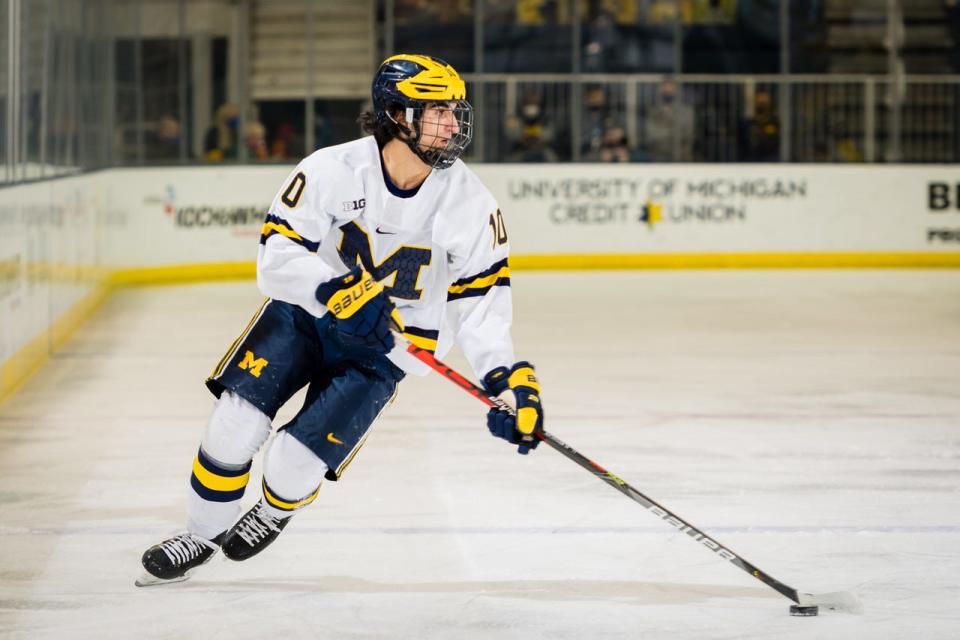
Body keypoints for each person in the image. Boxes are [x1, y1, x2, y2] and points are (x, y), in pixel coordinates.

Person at [136, 54, 546, 586]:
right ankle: (198, 534)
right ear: (398, 116)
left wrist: (511, 384)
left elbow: (483, 308)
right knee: (234, 425)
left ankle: (275, 509)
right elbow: (276, 258)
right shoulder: (331, 169)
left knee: (291, 463)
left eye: (453, 111)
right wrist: (336, 290)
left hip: (383, 352)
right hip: (303, 320)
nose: (452, 123)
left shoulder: (471, 204)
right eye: (437, 110)